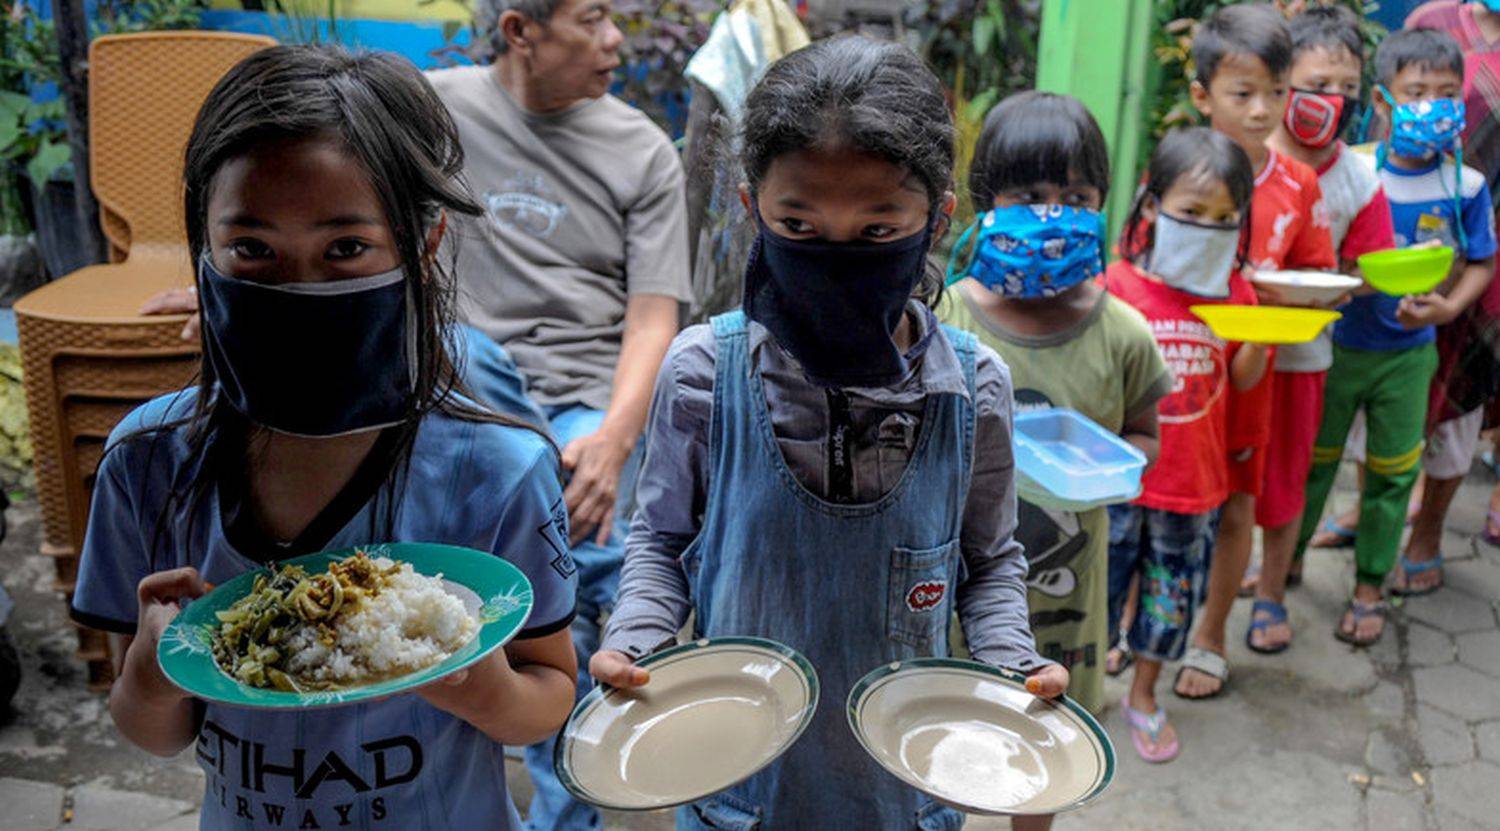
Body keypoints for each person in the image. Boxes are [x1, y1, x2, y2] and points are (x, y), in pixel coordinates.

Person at [69, 45, 580, 831]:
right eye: (253, 251)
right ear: (202, 248)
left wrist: (487, 692)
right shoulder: (148, 461)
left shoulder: (499, 471)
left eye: (346, 250)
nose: (300, 287)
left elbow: (548, 697)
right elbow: (152, 732)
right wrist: (150, 670)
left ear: (425, 242)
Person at [587, 36, 1068, 829]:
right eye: (799, 225)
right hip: (739, 797)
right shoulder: (705, 373)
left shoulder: (973, 390)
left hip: (906, 800)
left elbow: (990, 564)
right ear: (752, 210)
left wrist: (1014, 667)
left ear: (937, 217)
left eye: (878, 231)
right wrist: (634, 643)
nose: (836, 254)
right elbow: (661, 540)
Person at [426, 3, 691, 826]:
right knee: (474, 361)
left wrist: (614, 442)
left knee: (573, 543)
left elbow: (654, 319)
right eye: (595, 17)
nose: (617, 42)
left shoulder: (641, 150)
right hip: (467, 395)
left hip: (584, 402)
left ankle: (561, 810)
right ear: (519, 30)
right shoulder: (431, 111)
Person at [941, 91, 1170, 719]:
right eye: (1030, 197)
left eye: (1075, 201)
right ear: (987, 205)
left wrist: (1096, 468)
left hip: (1070, 599)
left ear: (1102, 206)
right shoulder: (943, 319)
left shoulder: (1124, 333)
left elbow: (1145, 439)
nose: (1053, 217)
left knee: (1052, 735)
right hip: (954, 589)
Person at [1298, 27, 1496, 645]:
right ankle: (1284, 565)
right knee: (1314, 464)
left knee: (1392, 473)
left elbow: (1485, 262)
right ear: (1382, 101)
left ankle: (1369, 585)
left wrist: (1445, 311)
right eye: (1416, 92)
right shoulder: (1355, 171)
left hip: (1412, 358)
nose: (1432, 106)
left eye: (1445, 93)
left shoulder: (1465, 185)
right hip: (1340, 348)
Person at [1177, 2, 1337, 701]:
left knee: (1238, 504)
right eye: (1244, 94)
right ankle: (1140, 624)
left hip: (1253, 377)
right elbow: (1137, 263)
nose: (1263, 110)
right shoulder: (1179, 166)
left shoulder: (1300, 185)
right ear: (1202, 95)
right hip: (1179, 371)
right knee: (1162, 502)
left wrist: (1296, 302)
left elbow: (1316, 272)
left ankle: (1209, 634)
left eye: (1277, 92)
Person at [1236, 5, 1398, 652]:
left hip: (1305, 356)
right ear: (1282, 82)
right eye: (1318, 84)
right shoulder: (1236, 161)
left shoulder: (1360, 179)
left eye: (1347, 89)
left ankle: (1271, 591)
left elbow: (1370, 269)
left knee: (1288, 477)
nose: (1332, 101)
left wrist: (1329, 286)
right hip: (1232, 351)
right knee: (1223, 477)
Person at [1105, 127, 1265, 763]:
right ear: (1151, 207)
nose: (1208, 228)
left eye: (1225, 218)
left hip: (1193, 486)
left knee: (1172, 599)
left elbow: (1242, 376)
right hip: (1115, 480)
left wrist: (1261, 337)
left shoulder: (1237, 292)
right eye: (1191, 213)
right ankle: (1090, 674)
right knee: (1100, 586)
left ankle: (1143, 694)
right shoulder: (1115, 287)